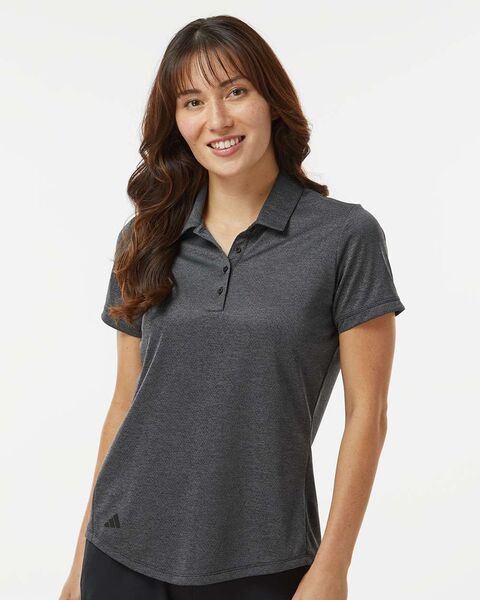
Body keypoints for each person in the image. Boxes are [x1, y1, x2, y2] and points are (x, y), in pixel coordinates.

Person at [59, 14, 405, 600]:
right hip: (121, 552)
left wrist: (332, 568)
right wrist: (78, 563)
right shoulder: (144, 239)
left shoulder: (344, 236)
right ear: (176, 121)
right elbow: (125, 402)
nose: (216, 120)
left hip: (262, 560)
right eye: (193, 101)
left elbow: (367, 414)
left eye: (235, 91)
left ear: (271, 100)